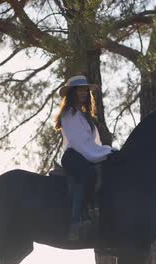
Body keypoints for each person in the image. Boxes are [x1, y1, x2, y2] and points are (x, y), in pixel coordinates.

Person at [54, 75, 113, 241]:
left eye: (85, 90)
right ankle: (75, 223)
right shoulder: (69, 114)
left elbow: (93, 143)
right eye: (80, 90)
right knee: (87, 174)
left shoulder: (85, 116)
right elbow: (82, 144)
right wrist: (106, 152)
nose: (84, 93)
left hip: (86, 153)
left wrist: (105, 151)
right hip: (74, 155)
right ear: (72, 93)